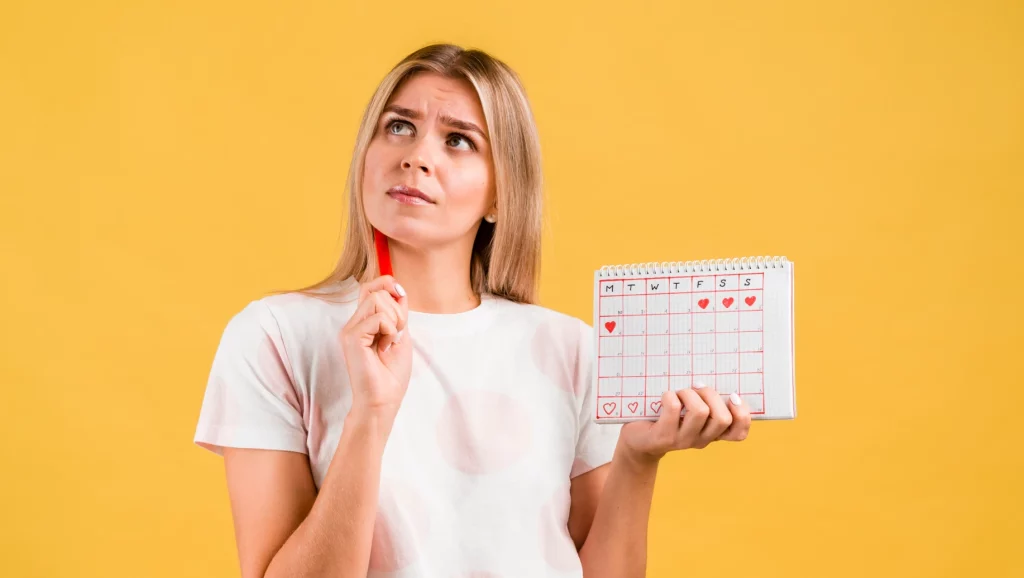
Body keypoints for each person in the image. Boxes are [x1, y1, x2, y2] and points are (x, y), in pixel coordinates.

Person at [194, 43, 751, 578]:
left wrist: (636, 458)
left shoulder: (571, 349)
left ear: (500, 194)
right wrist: (371, 415)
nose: (417, 156)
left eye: (458, 140)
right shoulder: (274, 337)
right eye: (399, 127)